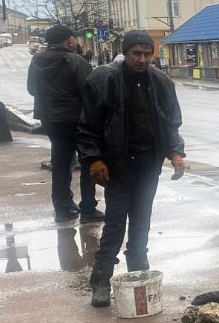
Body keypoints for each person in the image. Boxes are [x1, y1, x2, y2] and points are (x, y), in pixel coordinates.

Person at [78, 30, 186, 308]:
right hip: (118, 165)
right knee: (115, 223)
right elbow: (88, 125)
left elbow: (171, 123)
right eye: (136, 54)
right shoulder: (105, 79)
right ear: (124, 53)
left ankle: (139, 271)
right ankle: (101, 280)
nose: (142, 59)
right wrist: (94, 159)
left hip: (149, 163)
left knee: (141, 219)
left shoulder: (160, 81)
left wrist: (175, 153)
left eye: (147, 54)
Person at [27, 24, 101, 223]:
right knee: (87, 161)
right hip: (76, 120)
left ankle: (62, 207)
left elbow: (31, 89)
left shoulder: (36, 60)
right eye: (73, 39)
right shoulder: (76, 61)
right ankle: (88, 208)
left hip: (50, 120)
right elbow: (90, 92)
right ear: (69, 40)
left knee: (60, 162)